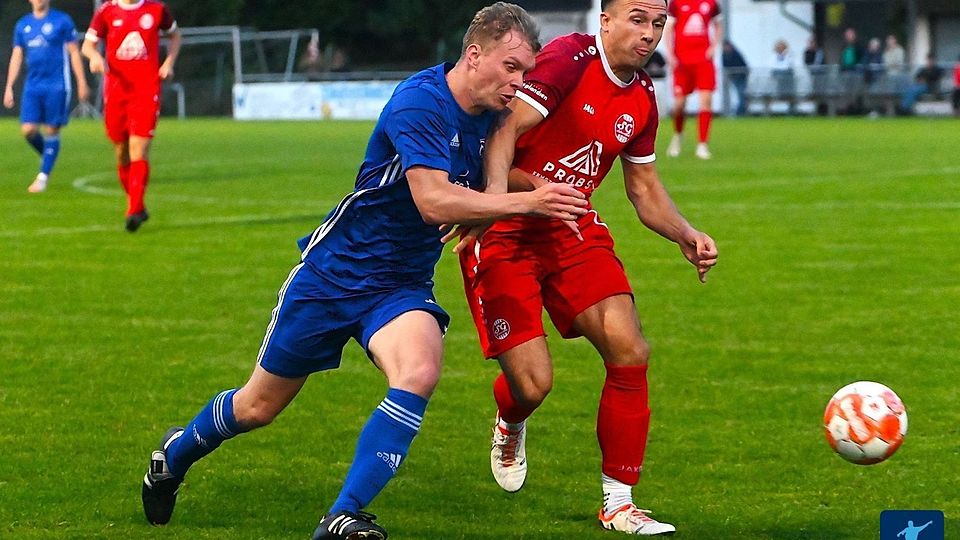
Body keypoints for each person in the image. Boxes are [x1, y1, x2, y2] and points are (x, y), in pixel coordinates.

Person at [138, 4, 588, 540]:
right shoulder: (420, 102)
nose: (519, 83)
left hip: (400, 285)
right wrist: (526, 203)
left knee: (419, 371)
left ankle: (342, 517)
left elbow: (492, 170)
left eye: (526, 72)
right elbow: (432, 201)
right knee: (257, 407)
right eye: (511, 67)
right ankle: (173, 455)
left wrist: (497, 202)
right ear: (475, 55)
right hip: (333, 275)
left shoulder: (492, 111)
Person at [456, 0, 718, 535]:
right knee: (533, 386)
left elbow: (643, 191)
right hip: (507, 225)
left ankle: (619, 502)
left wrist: (685, 233)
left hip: (569, 227)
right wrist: (509, 198)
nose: (649, 35)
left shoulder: (643, 97)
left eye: (658, 24)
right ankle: (511, 417)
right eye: (638, 20)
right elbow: (502, 133)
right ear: (606, 21)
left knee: (630, 348)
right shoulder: (569, 60)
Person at [81, 0, 181, 232]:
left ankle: (133, 210)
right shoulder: (106, 12)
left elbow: (175, 36)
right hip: (116, 91)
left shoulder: (156, 10)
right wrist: (95, 57)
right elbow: (88, 45)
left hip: (146, 90)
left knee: (139, 149)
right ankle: (138, 204)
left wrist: (168, 63)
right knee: (122, 152)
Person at [3, 0, 89, 193]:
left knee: (52, 130)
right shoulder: (22, 24)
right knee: (28, 130)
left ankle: (42, 177)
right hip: (33, 86)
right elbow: (17, 55)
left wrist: (81, 82)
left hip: (57, 85)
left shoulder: (62, 21)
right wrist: (9, 86)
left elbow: (74, 53)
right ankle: (49, 156)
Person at [663, 0, 722, 159]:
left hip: (703, 60)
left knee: (706, 101)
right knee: (679, 104)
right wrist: (670, 54)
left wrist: (714, 46)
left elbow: (718, 24)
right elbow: (668, 28)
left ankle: (702, 144)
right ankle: (678, 134)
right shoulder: (676, 3)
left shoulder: (711, 3)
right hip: (682, 60)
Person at [721, 39, 748, 116]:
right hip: (733, 78)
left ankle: (741, 111)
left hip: (741, 77)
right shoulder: (724, 55)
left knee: (741, 93)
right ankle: (738, 111)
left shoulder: (735, 53)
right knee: (738, 94)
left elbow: (742, 65)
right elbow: (725, 66)